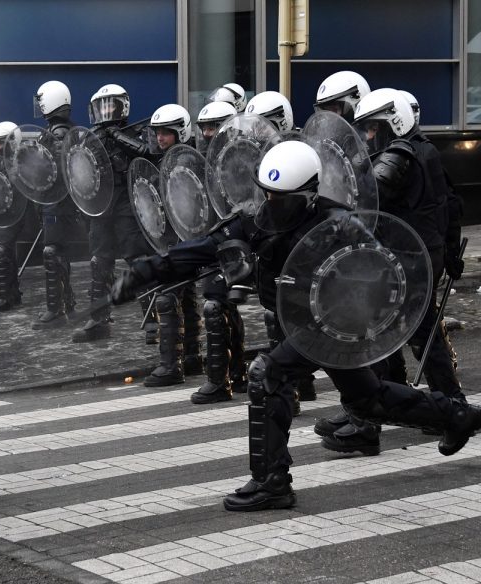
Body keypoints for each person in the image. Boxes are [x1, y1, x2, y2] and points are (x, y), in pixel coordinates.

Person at [111, 139, 481, 512]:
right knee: (369, 401)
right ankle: (457, 415)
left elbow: (380, 278)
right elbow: (199, 251)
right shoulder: (255, 218)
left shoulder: (341, 226)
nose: (271, 205)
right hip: (298, 324)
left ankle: (272, 482)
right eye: (267, 194)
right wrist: (142, 273)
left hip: (332, 325)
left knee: (266, 374)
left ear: (307, 194)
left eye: (281, 198)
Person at [317, 88, 467, 454]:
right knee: (412, 334)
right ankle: (441, 407)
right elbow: (451, 205)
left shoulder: (399, 154)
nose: (369, 136)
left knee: (379, 333)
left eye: (372, 128)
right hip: (418, 254)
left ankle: (370, 423)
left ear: (393, 122)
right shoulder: (425, 149)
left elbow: (368, 194)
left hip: (405, 258)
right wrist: (449, 252)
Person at [244, 91, 314, 406]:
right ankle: (299, 384)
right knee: (278, 315)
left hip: (294, 243)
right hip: (271, 242)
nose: (258, 132)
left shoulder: (298, 150)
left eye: (264, 124)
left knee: (294, 317)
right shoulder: (259, 154)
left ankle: (294, 386)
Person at [71, 83, 155, 343]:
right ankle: (98, 320)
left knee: (138, 258)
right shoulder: (90, 138)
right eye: (101, 106)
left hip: (127, 203)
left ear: (122, 107)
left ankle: (155, 320)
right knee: (99, 261)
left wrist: (116, 136)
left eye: (111, 106)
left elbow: (147, 155)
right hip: (101, 206)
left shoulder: (137, 132)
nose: (105, 112)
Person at [189, 101, 249, 403]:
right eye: (204, 128)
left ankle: (219, 381)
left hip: (235, 242)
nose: (208, 133)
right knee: (222, 306)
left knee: (217, 305)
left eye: (213, 127)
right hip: (214, 239)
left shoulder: (241, 159)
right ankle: (235, 375)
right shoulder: (202, 161)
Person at [141, 104, 203, 386]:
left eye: (166, 133)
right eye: (158, 133)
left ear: (180, 132)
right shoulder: (168, 160)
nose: (161, 138)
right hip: (178, 241)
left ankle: (170, 365)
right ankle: (191, 357)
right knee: (187, 297)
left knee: (167, 297)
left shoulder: (185, 163)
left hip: (183, 240)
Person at [31, 80, 81, 328]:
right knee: (57, 252)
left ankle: (56, 309)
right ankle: (67, 304)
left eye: (42, 101)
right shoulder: (56, 130)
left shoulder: (59, 134)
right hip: (55, 202)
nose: (39, 106)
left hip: (58, 203)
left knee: (52, 252)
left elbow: (58, 170)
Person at [0, 120, 37, 312]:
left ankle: (5, 296)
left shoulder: (23, 159)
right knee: (5, 251)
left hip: (18, 211)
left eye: (2, 142)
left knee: (0, 250)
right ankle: (13, 293)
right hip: (0, 212)